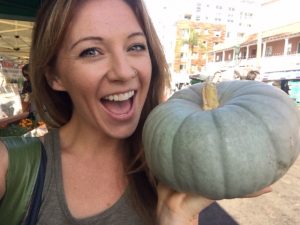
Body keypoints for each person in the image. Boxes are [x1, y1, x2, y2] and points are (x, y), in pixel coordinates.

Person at [0, 0, 271, 224]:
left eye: (135, 47)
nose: (124, 71)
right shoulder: (8, 168)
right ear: (54, 76)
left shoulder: (174, 166)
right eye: (91, 51)